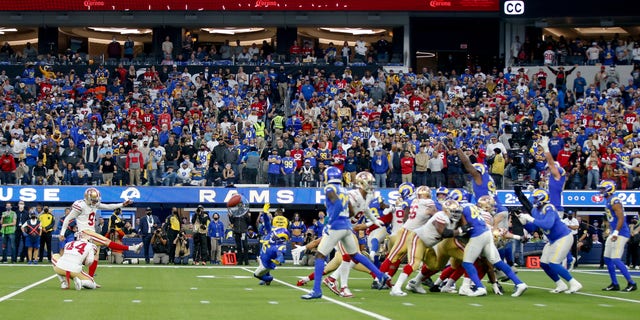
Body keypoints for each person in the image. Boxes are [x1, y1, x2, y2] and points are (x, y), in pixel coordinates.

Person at [301, 167, 389, 300]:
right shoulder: (345, 190)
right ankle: (381, 275)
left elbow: (336, 204)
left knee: (320, 255)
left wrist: (331, 221)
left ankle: (316, 290)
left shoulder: (330, 188)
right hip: (347, 226)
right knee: (355, 255)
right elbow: (351, 209)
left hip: (336, 225)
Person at [58, 188, 142, 277]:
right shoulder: (80, 205)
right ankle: (132, 248)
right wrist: (62, 233)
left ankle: (90, 279)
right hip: (84, 233)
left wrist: (122, 204)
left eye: (96, 200)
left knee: (95, 257)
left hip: (91, 232)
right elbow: (67, 219)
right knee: (105, 241)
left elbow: (108, 206)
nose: (95, 202)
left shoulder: (95, 204)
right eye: (93, 200)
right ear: (87, 198)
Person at [457, 192, 528, 297]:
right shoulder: (484, 213)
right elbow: (495, 230)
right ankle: (520, 283)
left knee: (467, 263)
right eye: (491, 206)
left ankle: (479, 287)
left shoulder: (472, 210)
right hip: (487, 236)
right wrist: (517, 237)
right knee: (497, 262)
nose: (493, 208)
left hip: (478, 236)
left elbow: (467, 226)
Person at [517, 189, 583, 294]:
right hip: (553, 240)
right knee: (544, 263)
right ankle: (560, 284)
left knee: (554, 263)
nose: (533, 200)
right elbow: (534, 228)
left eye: (535, 198)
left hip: (563, 237)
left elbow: (548, 225)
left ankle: (574, 283)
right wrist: (524, 223)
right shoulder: (535, 211)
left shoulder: (549, 208)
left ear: (541, 199)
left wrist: (530, 219)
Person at [596, 180, 637, 292]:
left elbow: (621, 218)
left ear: (609, 189)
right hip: (615, 231)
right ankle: (615, 283)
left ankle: (631, 283)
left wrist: (616, 232)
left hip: (621, 233)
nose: (601, 191)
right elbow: (612, 218)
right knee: (607, 258)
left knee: (615, 259)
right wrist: (610, 229)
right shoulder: (609, 200)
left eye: (603, 189)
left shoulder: (615, 201)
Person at [253, 203, 290, 285]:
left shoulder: (283, 228)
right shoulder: (272, 225)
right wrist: (265, 213)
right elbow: (266, 223)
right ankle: (267, 278)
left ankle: (267, 278)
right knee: (263, 260)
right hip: (267, 242)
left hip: (273, 243)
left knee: (268, 261)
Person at [229, 200, 252, 266]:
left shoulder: (245, 212)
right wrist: (230, 216)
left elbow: (249, 221)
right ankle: (240, 261)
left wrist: (249, 216)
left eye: (241, 204)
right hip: (236, 231)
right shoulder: (235, 212)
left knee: (245, 246)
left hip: (243, 231)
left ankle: (246, 261)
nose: (240, 205)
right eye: (238, 204)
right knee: (238, 247)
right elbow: (232, 221)